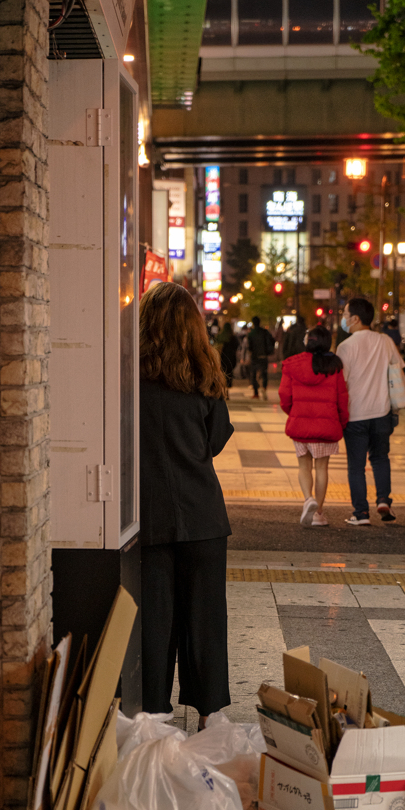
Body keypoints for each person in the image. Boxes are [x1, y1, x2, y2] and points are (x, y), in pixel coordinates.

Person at [139, 282, 234, 727]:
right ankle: (210, 711)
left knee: (157, 620)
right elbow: (215, 441)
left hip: (149, 517)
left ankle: (155, 710)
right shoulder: (206, 377)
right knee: (206, 618)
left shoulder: (130, 378)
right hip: (203, 516)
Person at [336, 297, 404, 526]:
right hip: (382, 411)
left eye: (345, 315)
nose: (344, 319)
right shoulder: (385, 341)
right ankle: (384, 500)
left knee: (356, 465)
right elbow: (396, 370)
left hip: (355, 414)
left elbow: (341, 382)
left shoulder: (345, 347)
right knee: (380, 458)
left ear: (355, 319)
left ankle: (361, 513)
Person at [279, 324, 349, 527]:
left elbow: (284, 396)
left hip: (300, 426)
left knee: (303, 466)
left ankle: (307, 498)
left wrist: (294, 413)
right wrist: (341, 421)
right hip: (325, 427)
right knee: (322, 468)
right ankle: (318, 513)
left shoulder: (292, 364)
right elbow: (341, 398)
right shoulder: (334, 365)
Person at [247, 315, 275, 400]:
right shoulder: (265, 332)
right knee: (264, 373)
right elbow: (272, 340)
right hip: (264, 355)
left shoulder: (251, 333)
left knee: (254, 374)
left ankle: (256, 393)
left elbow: (249, 347)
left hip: (255, 356)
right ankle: (264, 388)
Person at [216, 321, 240, 388]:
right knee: (229, 373)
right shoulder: (233, 337)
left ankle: (224, 387)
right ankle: (228, 387)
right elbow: (237, 346)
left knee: (222, 373)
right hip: (231, 358)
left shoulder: (220, 336)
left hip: (222, 357)